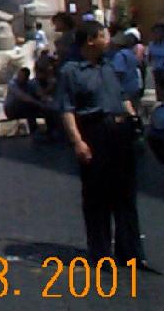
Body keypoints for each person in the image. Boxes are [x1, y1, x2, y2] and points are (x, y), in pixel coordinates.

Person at [56, 21, 150, 270]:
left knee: (125, 195)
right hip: (94, 131)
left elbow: (121, 96)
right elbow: (67, 110)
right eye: (103, 35)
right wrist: (78, 142)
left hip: (120, 132)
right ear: (90, 40)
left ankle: (131, 252)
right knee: (97, 197)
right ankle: (101, 253)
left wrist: (134, 122)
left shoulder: (109, 65)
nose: (108, 39)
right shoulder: (71, 71)